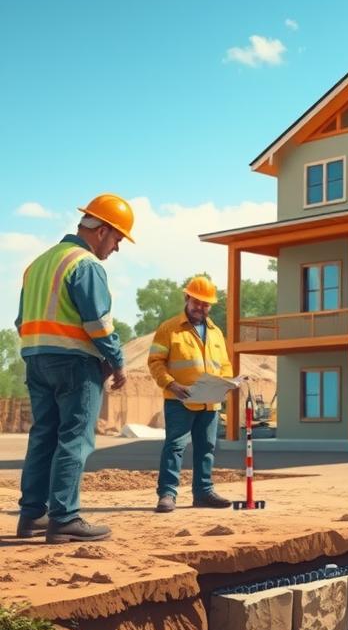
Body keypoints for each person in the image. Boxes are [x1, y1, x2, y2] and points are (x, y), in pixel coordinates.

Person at [15, 194, 132, 543]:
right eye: (118, 239)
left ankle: (32, 516)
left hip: (36, 360)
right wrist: (117, 361)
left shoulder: (37, 264)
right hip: (74, 364)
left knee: (43, 437)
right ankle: (64, 517)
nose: (117, 247)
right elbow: (97, 324)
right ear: (102, 231)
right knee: (74, 439)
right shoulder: (86, 265)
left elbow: (22, 321)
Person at [148, 276, 235, 512]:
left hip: (209, 402)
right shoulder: (169, 328)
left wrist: (226, 385)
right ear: (187, 298)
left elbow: (225, 365)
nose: (201, 308)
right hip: (180, 399)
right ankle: (167, 494)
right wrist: (171, 384)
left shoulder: (216, 333)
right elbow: (155, 362)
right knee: (175, 446)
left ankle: (203, 493)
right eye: (197, 302)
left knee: (206, 447)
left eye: (206, 304)